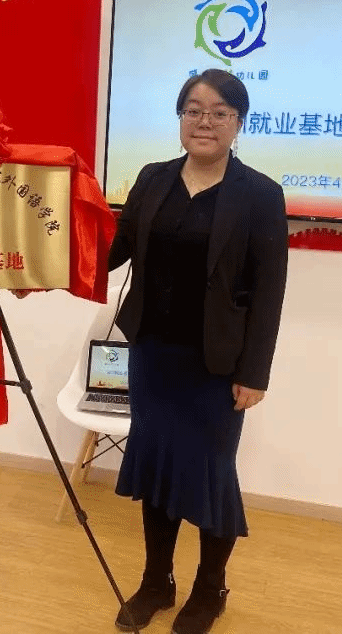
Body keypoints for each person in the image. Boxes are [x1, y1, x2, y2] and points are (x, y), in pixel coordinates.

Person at [107, 68, 288, 634]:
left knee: (210, 476)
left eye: (218, 112)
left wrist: (254, 373)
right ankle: (156, 583)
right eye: (193, 110)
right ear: (180, 117)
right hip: (154, 355)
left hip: (217, 365)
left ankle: (210, 589)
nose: (204, 122)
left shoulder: (259, 194)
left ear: (239, 122)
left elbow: (269, 291)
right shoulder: (153, 178)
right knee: (157, 470)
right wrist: (42, 267)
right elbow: (114, 250)